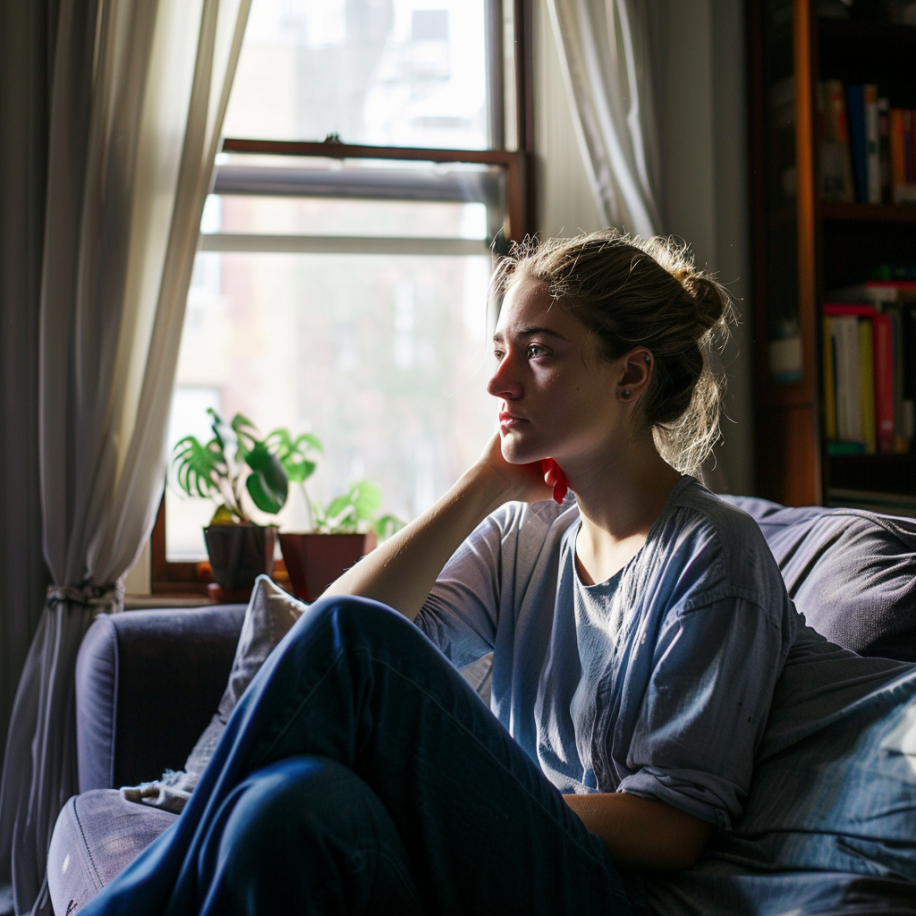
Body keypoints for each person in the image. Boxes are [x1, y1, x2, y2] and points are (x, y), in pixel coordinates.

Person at [82, 231, 916, 916]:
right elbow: (322, 638)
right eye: (499, 351)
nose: (499, 381)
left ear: (631, 375)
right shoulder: (525, 534)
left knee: (354, 651)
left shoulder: (714, 554)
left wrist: (460, 787)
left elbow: (672, 827)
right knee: (285, 809)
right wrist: (482, 487)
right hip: (504, 859)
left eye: (539, 353)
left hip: (612, 894)